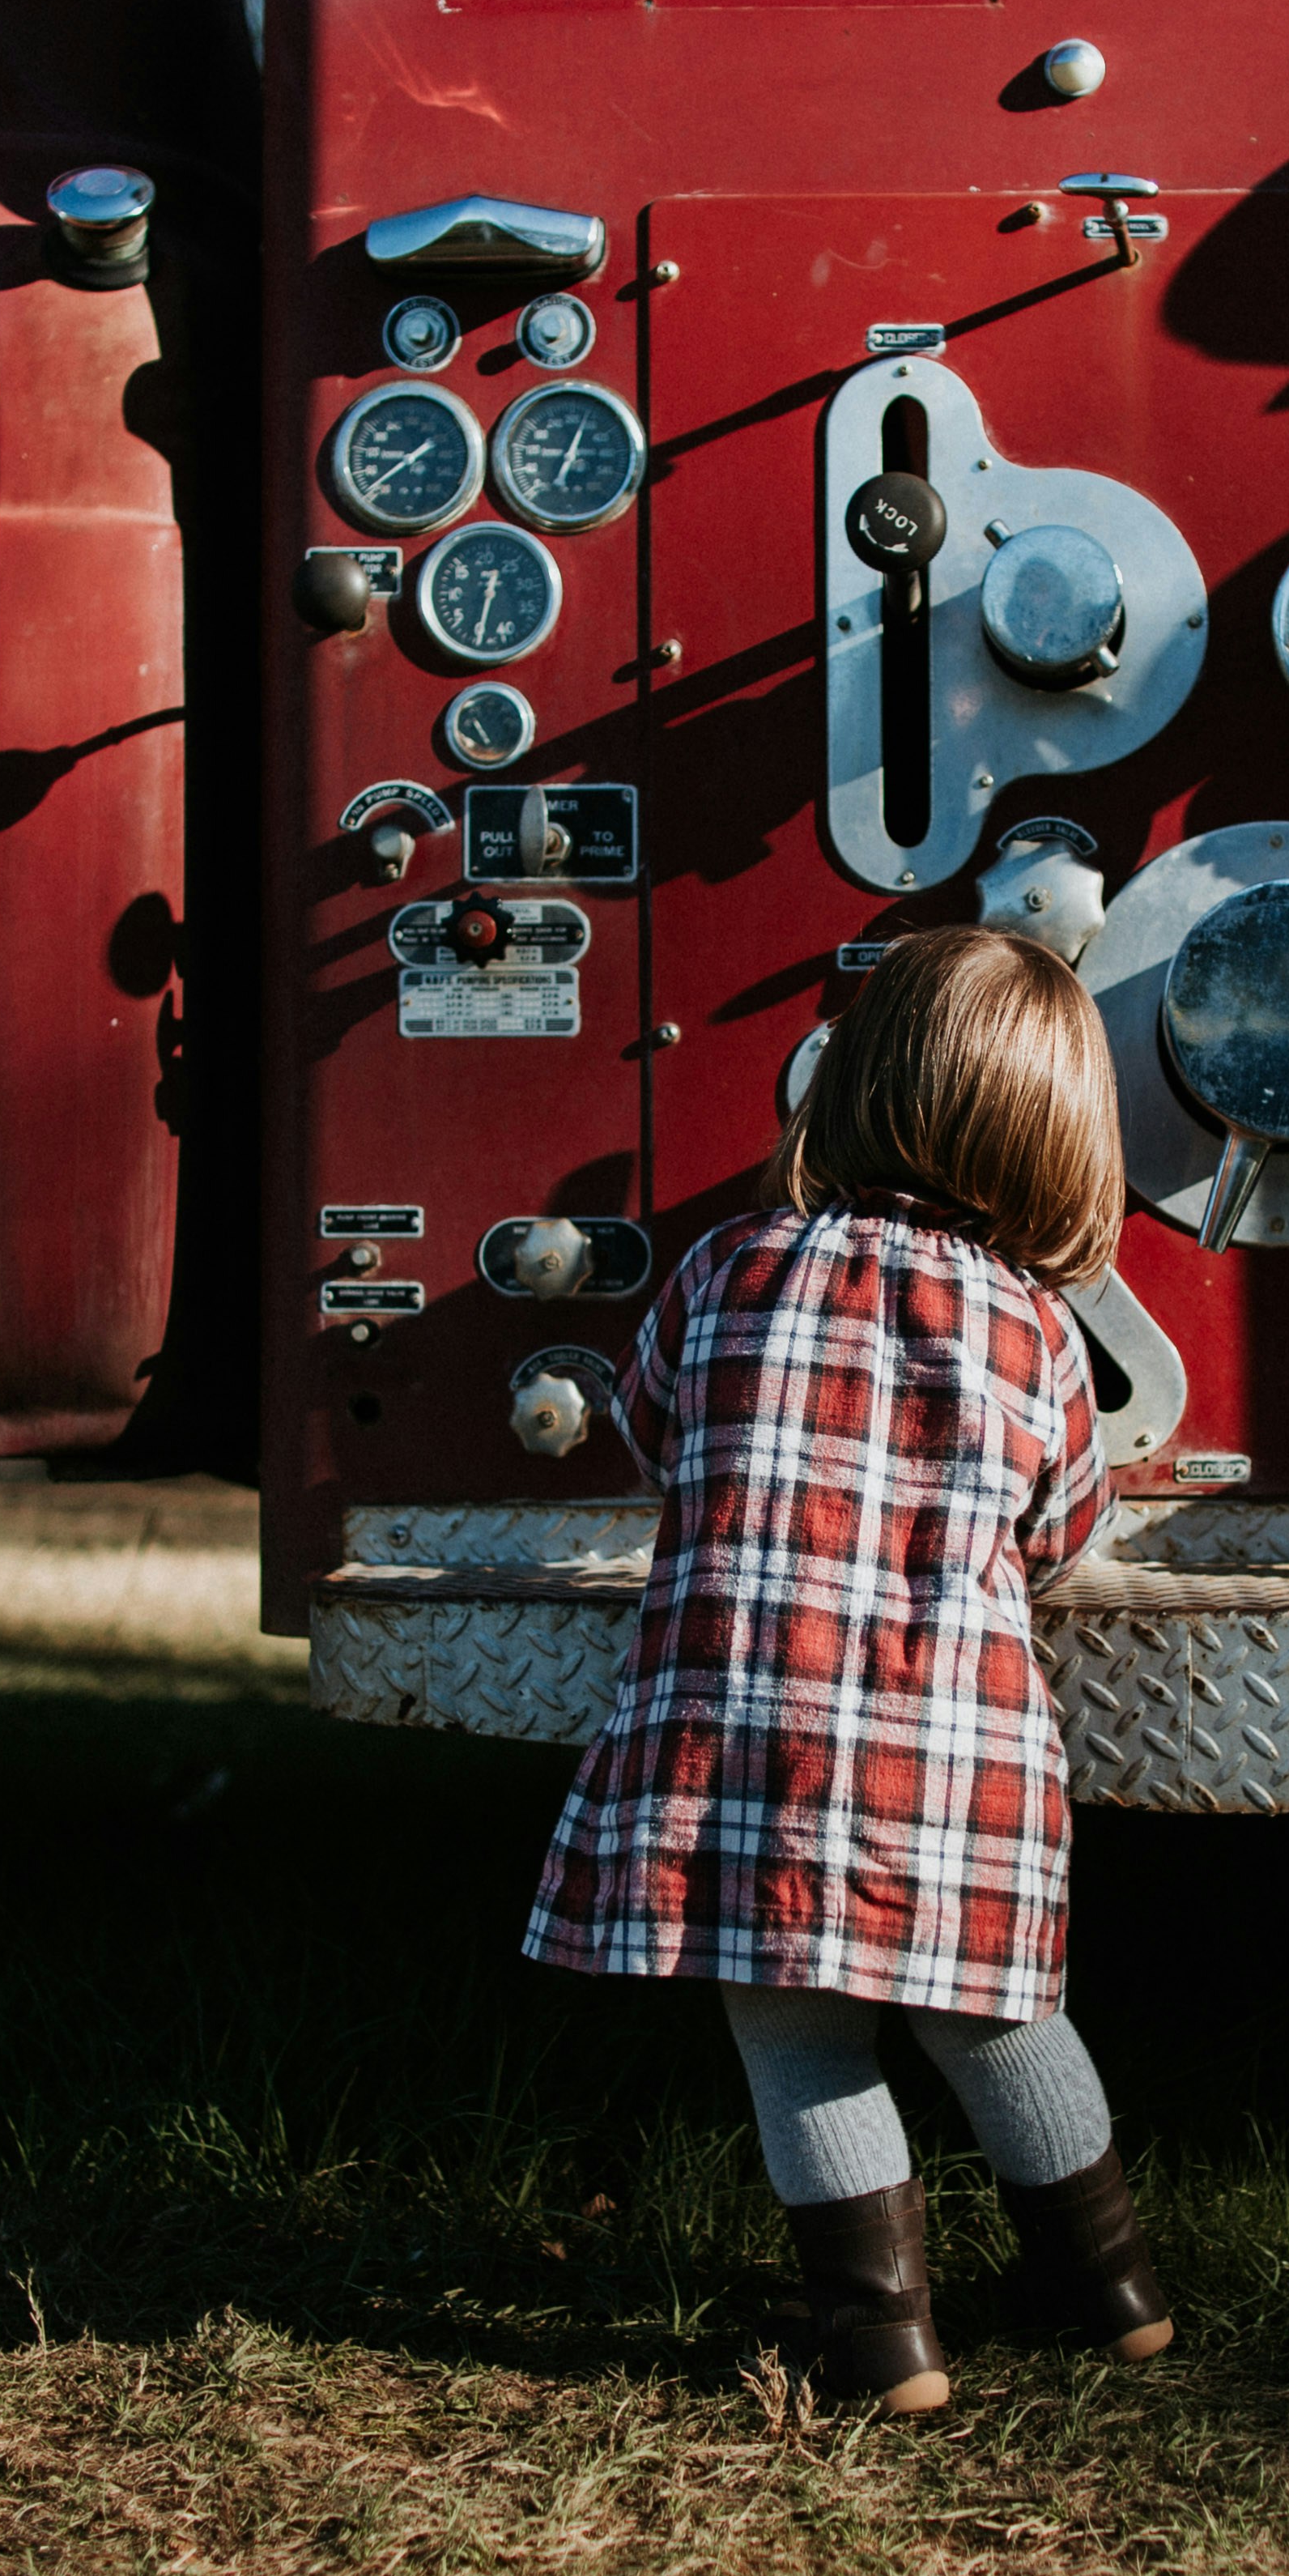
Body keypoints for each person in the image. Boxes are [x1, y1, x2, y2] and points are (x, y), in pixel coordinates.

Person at [522, 925, 1172, 2414]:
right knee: (1001, 2014)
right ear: (1061, 1139)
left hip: (741, 1742)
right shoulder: (1034, 1328)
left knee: (793, 2026)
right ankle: (1111, 2287)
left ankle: (878, 2338)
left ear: (853, 1088)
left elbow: (652, 1437)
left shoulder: (724, 1269)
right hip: (953, 1759)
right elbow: (1063, 1532)